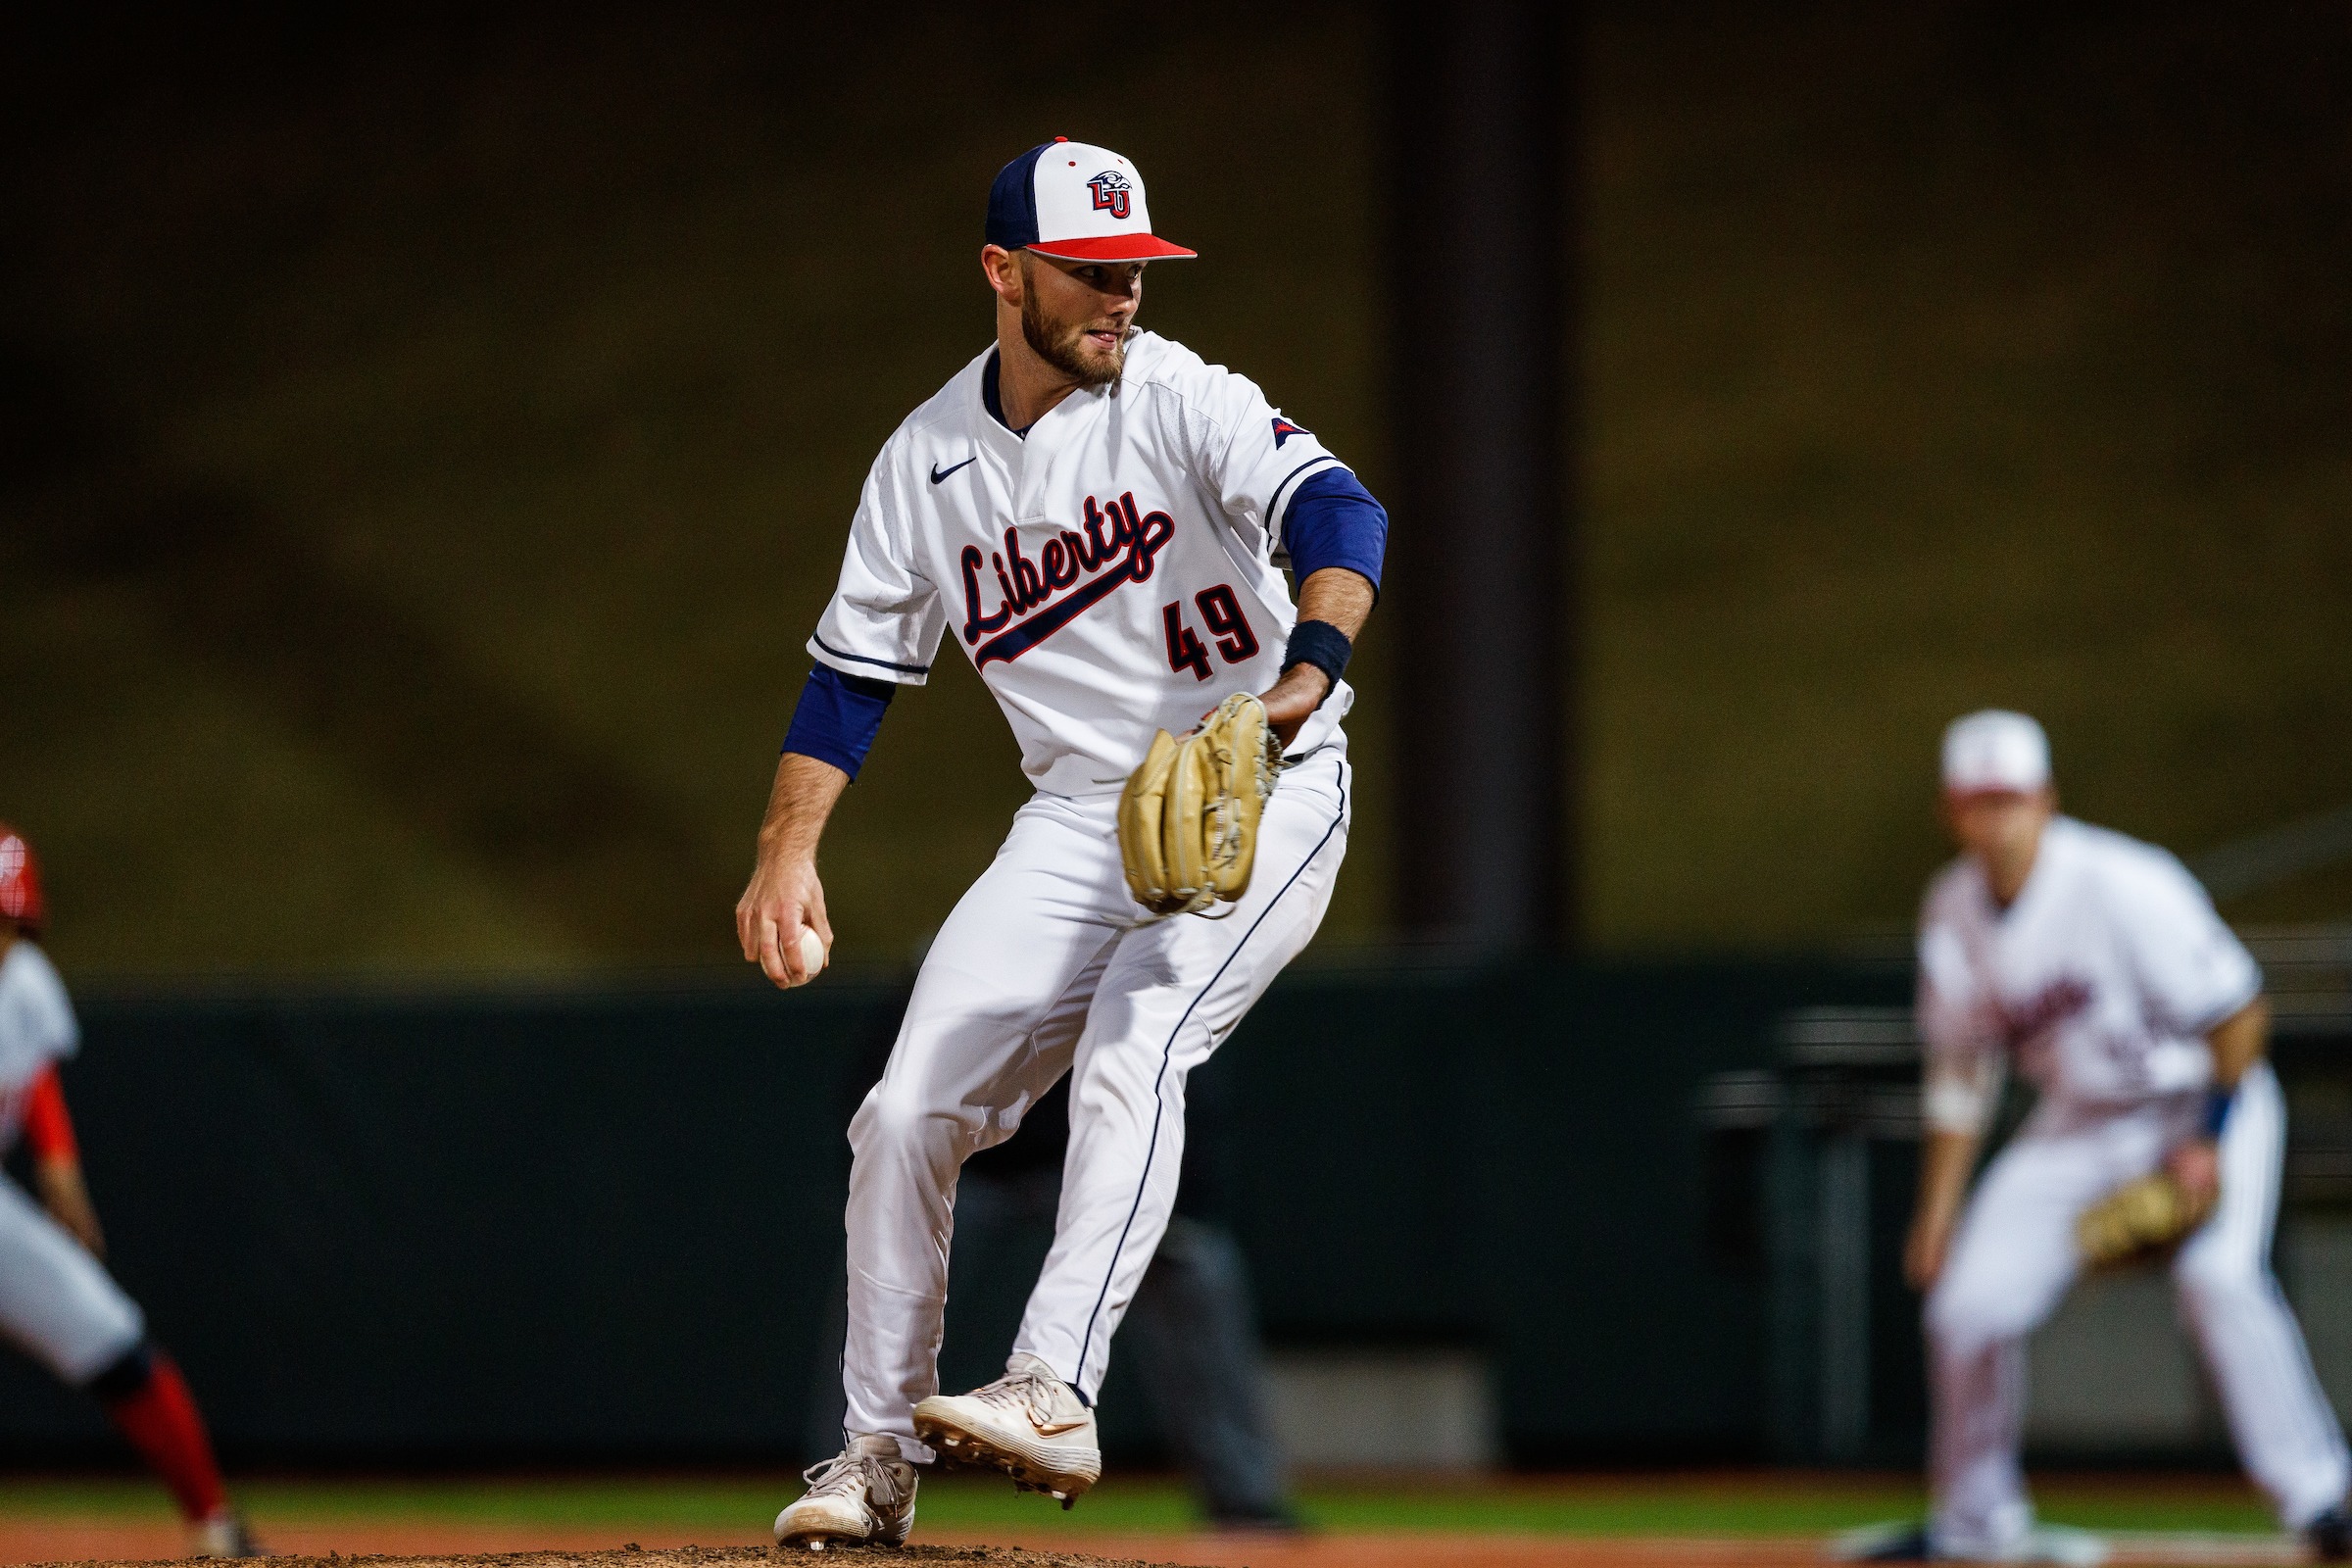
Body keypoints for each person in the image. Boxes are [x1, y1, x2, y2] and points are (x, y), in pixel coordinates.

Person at [737, 138, 1383, 1549]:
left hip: (1260, 784)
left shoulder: (1179, 397)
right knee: (906, 1110)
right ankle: (876, 1457)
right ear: (1001, 270)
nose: (1122, 298)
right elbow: (851, 680)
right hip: (1079, 812)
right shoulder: (925, 462)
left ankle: (1053, 1383)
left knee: (1137, 1041)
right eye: (1093, 274)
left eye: (1137, 271)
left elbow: (1342, 510)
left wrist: (1302, 680)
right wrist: (788, 853)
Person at [1853, 712, 2350, 1564]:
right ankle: (1976, 1523)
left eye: (2009, 798)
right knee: (1967, 1306)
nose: (1995, 818)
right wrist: (1937, 1213)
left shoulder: (2123, 882)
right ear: (1951, 811)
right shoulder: (1952, 910)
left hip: (2198, 1098)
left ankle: (2324, 1500)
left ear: (2045, 799)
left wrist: (2209, 1142)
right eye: (1978, 802)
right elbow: (1961, 1076)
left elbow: (2239, 1013)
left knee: (2218, 1279)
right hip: (2081, 1125)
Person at [0, 826, 260, 1558]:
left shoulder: (25, 983)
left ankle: (213, 1525)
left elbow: (35, 1074)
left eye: (10, 921)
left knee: (112, 1334)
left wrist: (60, 1166)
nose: (4, 938)